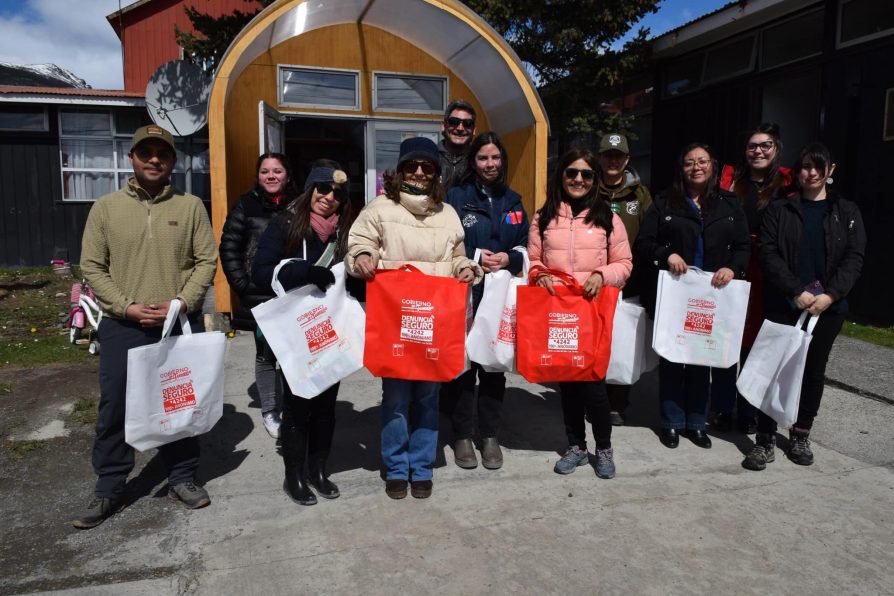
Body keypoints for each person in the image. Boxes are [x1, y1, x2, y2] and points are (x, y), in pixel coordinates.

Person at [72, 125, 217, 529]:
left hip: (177, 322)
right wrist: (127, 307)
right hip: (124, 324)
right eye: (146, 152)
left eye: (163, 153)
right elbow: (92, 267)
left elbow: (206, 260)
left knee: (178, 402)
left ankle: (183, 477)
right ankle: (110, 486)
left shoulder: (190, 206)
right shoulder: (106, 208)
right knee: (116, 404)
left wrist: (180, 303)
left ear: (173, 161)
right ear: (131, 157)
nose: (154, 159)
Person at [346, 137, 482, 499]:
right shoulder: (380, 208)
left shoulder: (447, 212)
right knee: (395, 398)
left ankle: (421, 466)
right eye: (412, 166)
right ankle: (396, 466)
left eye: (427, 167)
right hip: (395, 320)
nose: (419, 172)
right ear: (400, 169)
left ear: (436, 173)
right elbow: (358, 242)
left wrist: (466, 267)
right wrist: (361, 256)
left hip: (434, 321)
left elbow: (457, 255)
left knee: (427, 398)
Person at [742, 143, 865, 471]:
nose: (810, 173)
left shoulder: (847, 212)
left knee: (813, 372)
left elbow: (854, 258)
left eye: (817, 166)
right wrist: (795, 290)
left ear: (831, 170)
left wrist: (832, 295)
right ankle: (765, 439)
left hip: (827, 309)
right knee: (774, 370)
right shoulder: (780, 209)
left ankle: (800, 434)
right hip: (784, 304)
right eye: (804, 167)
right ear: (796, 172)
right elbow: (767, 253)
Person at [252, 162, 356, 505]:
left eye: (337, 193)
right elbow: (261, 270)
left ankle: (318, 471)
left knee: (326, 405)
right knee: (298, 405)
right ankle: (293, 476)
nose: (329, 198)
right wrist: (303, 272)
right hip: (298, 330)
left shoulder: (346, 231)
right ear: (310, 189)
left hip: (330, 329)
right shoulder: (285, 223)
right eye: (323, 189)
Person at [636, 142, 750, 450]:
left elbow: (743, 247)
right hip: (677, 294)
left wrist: (732, 267)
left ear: (712, 165)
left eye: (702, 161)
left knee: (702, 359)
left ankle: (697, 423)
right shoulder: (664, 202)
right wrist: (667, 254)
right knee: (673, 357)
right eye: (689, 162)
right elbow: (645, 243)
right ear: (681, 168)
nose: (696, 167)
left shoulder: (729, 203)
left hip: (713, 295)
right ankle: (672, 422)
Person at [528, 147, 632, 479]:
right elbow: (532, 259)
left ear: (595, 179)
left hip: (592, 312)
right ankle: (576, 446)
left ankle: (603, 448)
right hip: (557, 311)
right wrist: (538, 274)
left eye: (586, 174)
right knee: (568, 384)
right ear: (561, 174)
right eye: (571, 172)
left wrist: (602, 276)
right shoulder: (543, 216)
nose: (578, 179)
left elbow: (624, 263)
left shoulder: (608, 218)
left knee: (594, 386)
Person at [443, 131, 530, 470]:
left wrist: (509, 258)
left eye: (495, 158)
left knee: (494, 366)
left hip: (501, 296)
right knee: (464, 368)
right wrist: (477, 256)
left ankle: (489, 434)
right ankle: (463, 434)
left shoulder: (515, 202)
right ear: (473, 162)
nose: (490, 164)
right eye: (483, 158)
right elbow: (448, 242)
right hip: (467, 291)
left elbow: (527, 246)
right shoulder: (456, 197)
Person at [713, 123, 794, 434]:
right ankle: (721, 406)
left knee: (755, 346)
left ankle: (748, 408)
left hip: (769, 272)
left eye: (765, 145)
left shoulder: (787, 184)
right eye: (752, 146)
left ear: (776, 149)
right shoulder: (732, 182)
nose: (758, 151)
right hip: (733, 267)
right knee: (724, 340)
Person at [219, 152, 294, 439]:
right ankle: (270, 410)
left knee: (292, 353)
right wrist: (242, 285)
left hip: (291, 295)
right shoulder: (245, 205)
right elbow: (230, 248)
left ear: (287, 175)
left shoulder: (298, 205)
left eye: (277, 170)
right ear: (258, 176)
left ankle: (293, 406)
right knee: (265, 355)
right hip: (259, 295)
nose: (271, 176)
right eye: (265, 171)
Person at [595, 133, 653, 426]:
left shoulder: (640, 195)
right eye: (608, 155)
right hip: (593, 282)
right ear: (600, 158)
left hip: (628, 282)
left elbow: (650, 234)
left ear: (627, 160)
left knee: (622, 343)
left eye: (618, 156)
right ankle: (593, 398)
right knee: (594, 342)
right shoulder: (589, 189)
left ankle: (617, 402)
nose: (613, 161)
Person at [439, 99, 477, 189]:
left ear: (474, 130)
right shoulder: (430, 157)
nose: (460, 128)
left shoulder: (479, 161)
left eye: (467, 123)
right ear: (444, 126)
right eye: (454, 122)